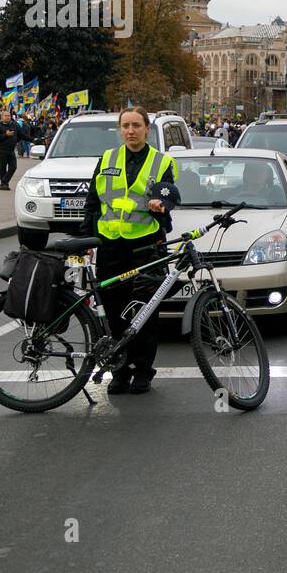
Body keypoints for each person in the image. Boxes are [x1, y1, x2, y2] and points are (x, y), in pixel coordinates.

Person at [76, 107, 179, 395]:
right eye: (125, 126)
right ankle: (120, 370)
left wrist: (161, 206)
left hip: (146, 246)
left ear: (147, 128)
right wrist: (87, 239)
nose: (130, 131)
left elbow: (167, 194)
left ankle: (143, 370)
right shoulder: (107, 158)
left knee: (145, 311)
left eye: (136, 125)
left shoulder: (161, 162)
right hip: (111, 246)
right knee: (114, 311)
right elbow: (93, 202)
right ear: (119, 130)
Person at [0, 109, 26, 190]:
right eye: (6, 116)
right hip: (1, 150)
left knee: (13, 167)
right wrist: (5, 135)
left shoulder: (14, 125)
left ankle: (4, 182)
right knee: (2, 168)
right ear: (2, 117)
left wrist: (32, 140)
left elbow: (20, 135)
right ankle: (4, 184)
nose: (8, 117)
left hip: (11, 150)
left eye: (9, 116)